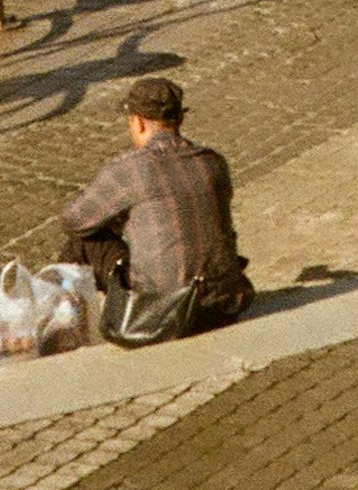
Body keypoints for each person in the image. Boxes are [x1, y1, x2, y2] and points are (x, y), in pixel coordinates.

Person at [57, 75, 251, 343]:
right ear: (179, 120)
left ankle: (67, 328)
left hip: (162, 312)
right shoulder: (213, 162)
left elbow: (73, 220)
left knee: (81, 245)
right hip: (222, 304)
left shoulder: (131, 170)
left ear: (137, 122)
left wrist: (118, 219)